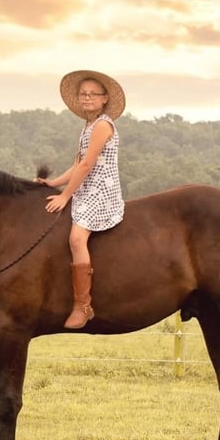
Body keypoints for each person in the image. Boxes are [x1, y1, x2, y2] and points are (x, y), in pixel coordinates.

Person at [36, 70, 126, 329]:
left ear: (105, 98)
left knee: (76, 238)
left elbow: (87, 165)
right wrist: (53, 183)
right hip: (85, 186)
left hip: (100, 189)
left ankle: (83, 305)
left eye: (92, 94)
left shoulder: (103, 125)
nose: (86, 98)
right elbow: (77, 164)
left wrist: (65, 195)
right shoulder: (87, 126)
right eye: (83, 94)